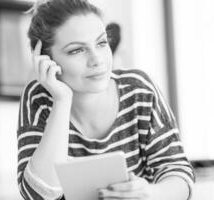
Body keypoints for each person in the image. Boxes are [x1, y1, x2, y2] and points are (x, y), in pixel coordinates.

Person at [16, 0, 195, 199]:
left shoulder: (138, 89)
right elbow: (37, 195)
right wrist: (61, 101)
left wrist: (152, 194)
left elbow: (179, 174)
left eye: (101, 43)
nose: (97, 60)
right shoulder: (38, 97)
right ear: (46, 60)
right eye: (76, 50)